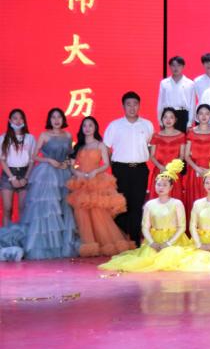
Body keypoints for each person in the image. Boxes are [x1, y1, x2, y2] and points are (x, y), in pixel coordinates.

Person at [97, 166, 190, 273]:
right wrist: (152, 242)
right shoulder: (149, 204)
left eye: (165, 185)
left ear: (171, 187)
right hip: (154, 239)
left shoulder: (177, 203)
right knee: (148, 258)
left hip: (174, 239)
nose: (161, 187)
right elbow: (145, 227)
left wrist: (169, 243)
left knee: (172, 255)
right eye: (158, 184)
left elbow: (182, 226)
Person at [68, 116, 134, 257]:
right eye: (85, 125)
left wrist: (95, 172)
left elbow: (106, 164)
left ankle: (104, 244)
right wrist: (78, 173)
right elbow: (71, 166)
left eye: (90, 125)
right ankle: (88, 244)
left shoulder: (100, 145)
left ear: (95, 128)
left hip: (96, 180)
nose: (87, 128)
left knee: (98, 213)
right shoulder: (78, 146)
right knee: (82, 213)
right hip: (81, 181)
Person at [19, 107, 79, 259]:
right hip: (47, 174)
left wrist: (67, 162)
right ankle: (46, 246)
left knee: (65, 209)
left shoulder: (68, 135)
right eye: (53, 117)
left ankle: (63, 246)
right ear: (49, 120)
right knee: (48, 211)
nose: (56, 120)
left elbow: (70, 156)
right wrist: (49, 160)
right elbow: (34, 156)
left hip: (64, 173)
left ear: (63, 119)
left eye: (59, 117)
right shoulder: (44, 135)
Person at [104, 91, 155, 245]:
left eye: (135, 104)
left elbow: (151, 146)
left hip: (140, 169)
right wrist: (113, 167)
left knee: (137, 204)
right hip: (120, 169)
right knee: (121, 204)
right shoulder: (115, 125)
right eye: (128, 104)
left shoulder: (147, 125)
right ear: (123, 106)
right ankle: (121, 239)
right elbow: (106, 148)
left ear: (139, 105)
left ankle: (135, 239)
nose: (132, 107)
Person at [1, 109, 35, 227]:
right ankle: (6, 236)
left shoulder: (30, 138)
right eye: (15, 118)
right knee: (7, 209)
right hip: (8, 173)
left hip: (25, 172)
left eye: (21, 118)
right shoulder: (3, 138)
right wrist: (12, 178)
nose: (18, 121)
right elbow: (2, 160)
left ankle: (22, 235)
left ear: (24, 120)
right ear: (10, 120)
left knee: (23, 208)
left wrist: (26, 178)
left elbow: (32, 160)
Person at [148, 108, 186, 200]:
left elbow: (182, 155)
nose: (168, 120)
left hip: (174, 172)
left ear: (175, 120)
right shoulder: (156, 136)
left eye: (171, 117)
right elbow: (152, 156)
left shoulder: (181, 136)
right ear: (161, 119)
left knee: (174, 199)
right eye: (165, 117)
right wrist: (161, 167)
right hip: (159, 171)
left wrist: (171, 168)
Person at [157, 56, 196, 132]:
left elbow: (192, 104)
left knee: (182, 138)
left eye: (179, 65)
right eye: (173, 65)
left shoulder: (190, 83)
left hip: (183, 114)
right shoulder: (164, 83)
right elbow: (160, 103)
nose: (176, 68)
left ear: (183, 66)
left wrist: (190, 122)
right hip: (168, 115)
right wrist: (160, 120)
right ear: (170, 66)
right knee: (168, 138)